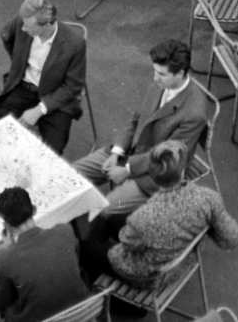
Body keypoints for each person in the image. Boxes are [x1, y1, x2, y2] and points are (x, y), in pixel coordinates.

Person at [73, 37, 209, 214]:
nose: (155, 78)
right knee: (72, 175)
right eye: (155, 71)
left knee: (102, 210)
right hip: (132, 153)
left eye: (161, 74)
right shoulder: (161, 83)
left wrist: (128, 170)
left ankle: (96, 237)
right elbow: (136, 119)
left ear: (181, 73)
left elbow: (167, 156)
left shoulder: (194, 113)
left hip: (158, 172)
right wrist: (117, 152)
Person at [82, 139, 238, 287]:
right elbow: (231, 239)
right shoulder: (208, 198)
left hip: (149, 276)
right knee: (112, 220)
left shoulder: (143, 217)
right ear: (182, 171)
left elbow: (128, 244)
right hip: (181, 262)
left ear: (154, 176)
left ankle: (104, 292)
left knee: (85, 248)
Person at [0, 0, 88, 155]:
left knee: (53, 149)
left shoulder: (75, 43)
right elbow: (5, 35)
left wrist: (40, 110)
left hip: (56, 96)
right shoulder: (23, 21)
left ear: (46, 26)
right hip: (24, 88)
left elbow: (73, 86)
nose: (22, 28)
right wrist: (17, 63)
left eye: (28, 26)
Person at [0, 189, 89, 322]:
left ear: (8, 227)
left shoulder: (4, 260)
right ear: (34, 210)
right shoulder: (65, 231)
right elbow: (76, 262)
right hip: (82, 313)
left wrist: (9, 252)